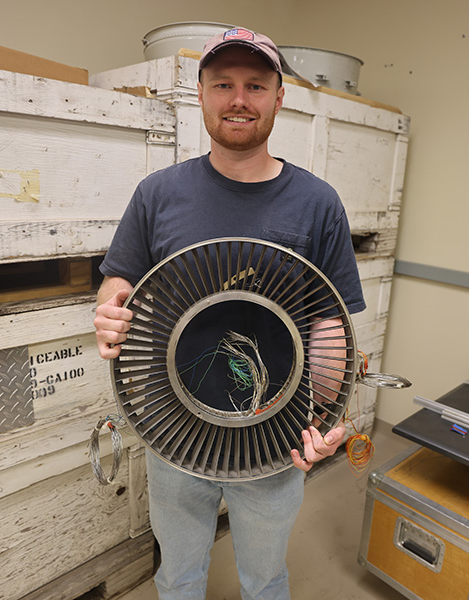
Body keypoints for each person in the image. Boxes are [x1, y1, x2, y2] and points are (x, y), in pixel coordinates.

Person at [94, 27, 365, 600]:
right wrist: (108, 310)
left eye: (255, 85)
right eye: (223, 84)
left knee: (265, 578)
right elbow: (120, 278)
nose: (238, 99)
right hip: (174, 429)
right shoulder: (157, 194)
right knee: (177, 574)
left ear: (278, 97)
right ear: (201, 93)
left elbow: (327, 323)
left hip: (275, 437)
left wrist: (322, 413)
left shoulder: (318, 203)